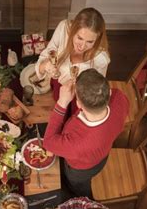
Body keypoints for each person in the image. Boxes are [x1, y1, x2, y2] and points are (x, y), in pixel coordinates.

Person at [43, 68, 129, 199]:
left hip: (80, 170)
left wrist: (62, 103)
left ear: (78, 104)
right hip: (102, 155)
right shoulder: (119, 98)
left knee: (78, 187)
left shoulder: (76, 141)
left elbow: (48, 143)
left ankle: (82, 199)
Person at [35, 7, 110, 102]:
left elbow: (98, 90)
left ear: (98, 38)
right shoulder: (63, 29)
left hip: (81, 98)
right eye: (80, 38)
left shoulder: (101, 59)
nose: (82, 46)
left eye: (90, 42)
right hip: (58, 88)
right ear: (73, 30)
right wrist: (45, 65)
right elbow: (42, 63)